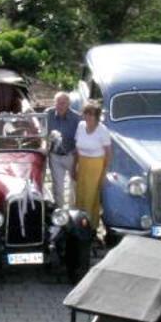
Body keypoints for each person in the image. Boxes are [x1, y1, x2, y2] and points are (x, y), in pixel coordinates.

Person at [73, 99, 112, 228]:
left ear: (97, 116)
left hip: (96, 164)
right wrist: (75, 166)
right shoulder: (81, 126)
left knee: (91, 196)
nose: (89, 117)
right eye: (86, 113)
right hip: (82, 163)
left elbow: (108, 153)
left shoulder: (103, 130)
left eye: (92, 114)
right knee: (80, 194)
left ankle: (88, 227)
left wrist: (105, 172)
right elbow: (77, 148)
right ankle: (79, 223)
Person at [44, 91, 80, 210]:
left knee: (74, 186)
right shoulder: (48, 114)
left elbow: (81, 139)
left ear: (69, 104)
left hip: (71, 155)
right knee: (58, 187)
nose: (60, 105)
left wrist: (77, 158)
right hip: (55, 156)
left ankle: (72, 211)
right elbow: (42, 132)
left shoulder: (77, 118)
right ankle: (59, 211)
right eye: (58, 103)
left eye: (63, 103)